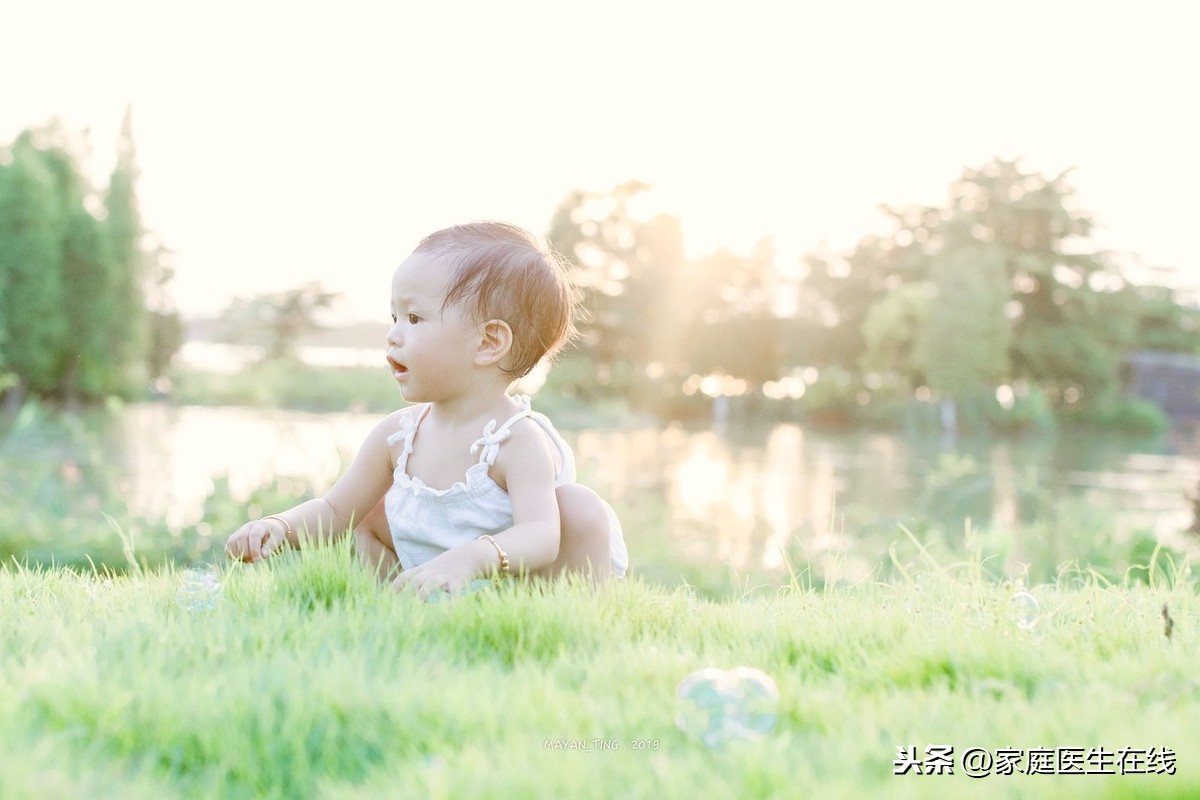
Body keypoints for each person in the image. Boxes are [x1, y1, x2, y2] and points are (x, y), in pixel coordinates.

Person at [224, 222, 628, 598]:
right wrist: (281, 526)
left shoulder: (516, 440)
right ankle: (400, 607)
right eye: (395, 316)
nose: (394, 334)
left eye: (414, 318)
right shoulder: (397, 435)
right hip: (435, 580)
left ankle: (565, 622)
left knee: (578, 507)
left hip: (521, 587)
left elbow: (541, 534)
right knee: (363, 513)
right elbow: (333, 511)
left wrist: (473, 557)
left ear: (489, 342)